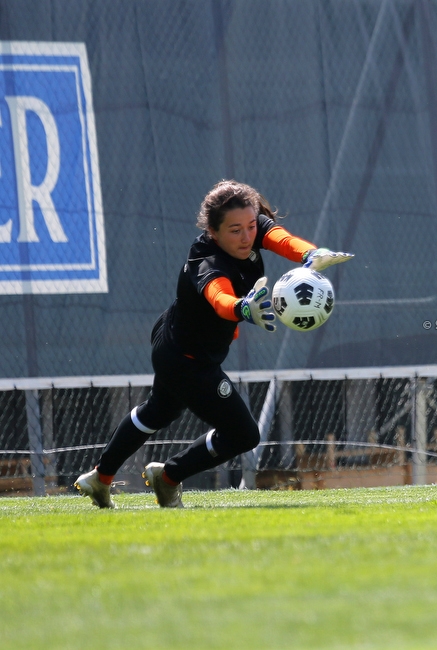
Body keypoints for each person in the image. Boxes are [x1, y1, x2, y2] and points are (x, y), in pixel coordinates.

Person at [74, 180, 353, 508]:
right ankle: (168, 476)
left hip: (173, 340)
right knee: (244, 435)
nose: (247, 236)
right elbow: (219, 297)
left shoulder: (249, 226)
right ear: (213, 231)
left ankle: (101, 478)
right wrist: (242, 308)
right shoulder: (207, 259)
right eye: (235, 230)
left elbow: (277, 236)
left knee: (158, 411)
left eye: (251, 226)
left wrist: (310, 253)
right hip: (187, 360)